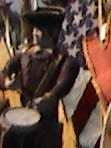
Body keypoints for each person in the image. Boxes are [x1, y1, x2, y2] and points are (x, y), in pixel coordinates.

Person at [0, 8, 78, 148]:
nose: (34, 33)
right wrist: (7, 81)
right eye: (34, 29)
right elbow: (4, 73)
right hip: (21, 120)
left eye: (39, 29)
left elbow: (63, 82)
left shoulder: (64, 60)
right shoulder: (23, 56)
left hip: (46, 125)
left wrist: (50, 97)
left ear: (52, 32)